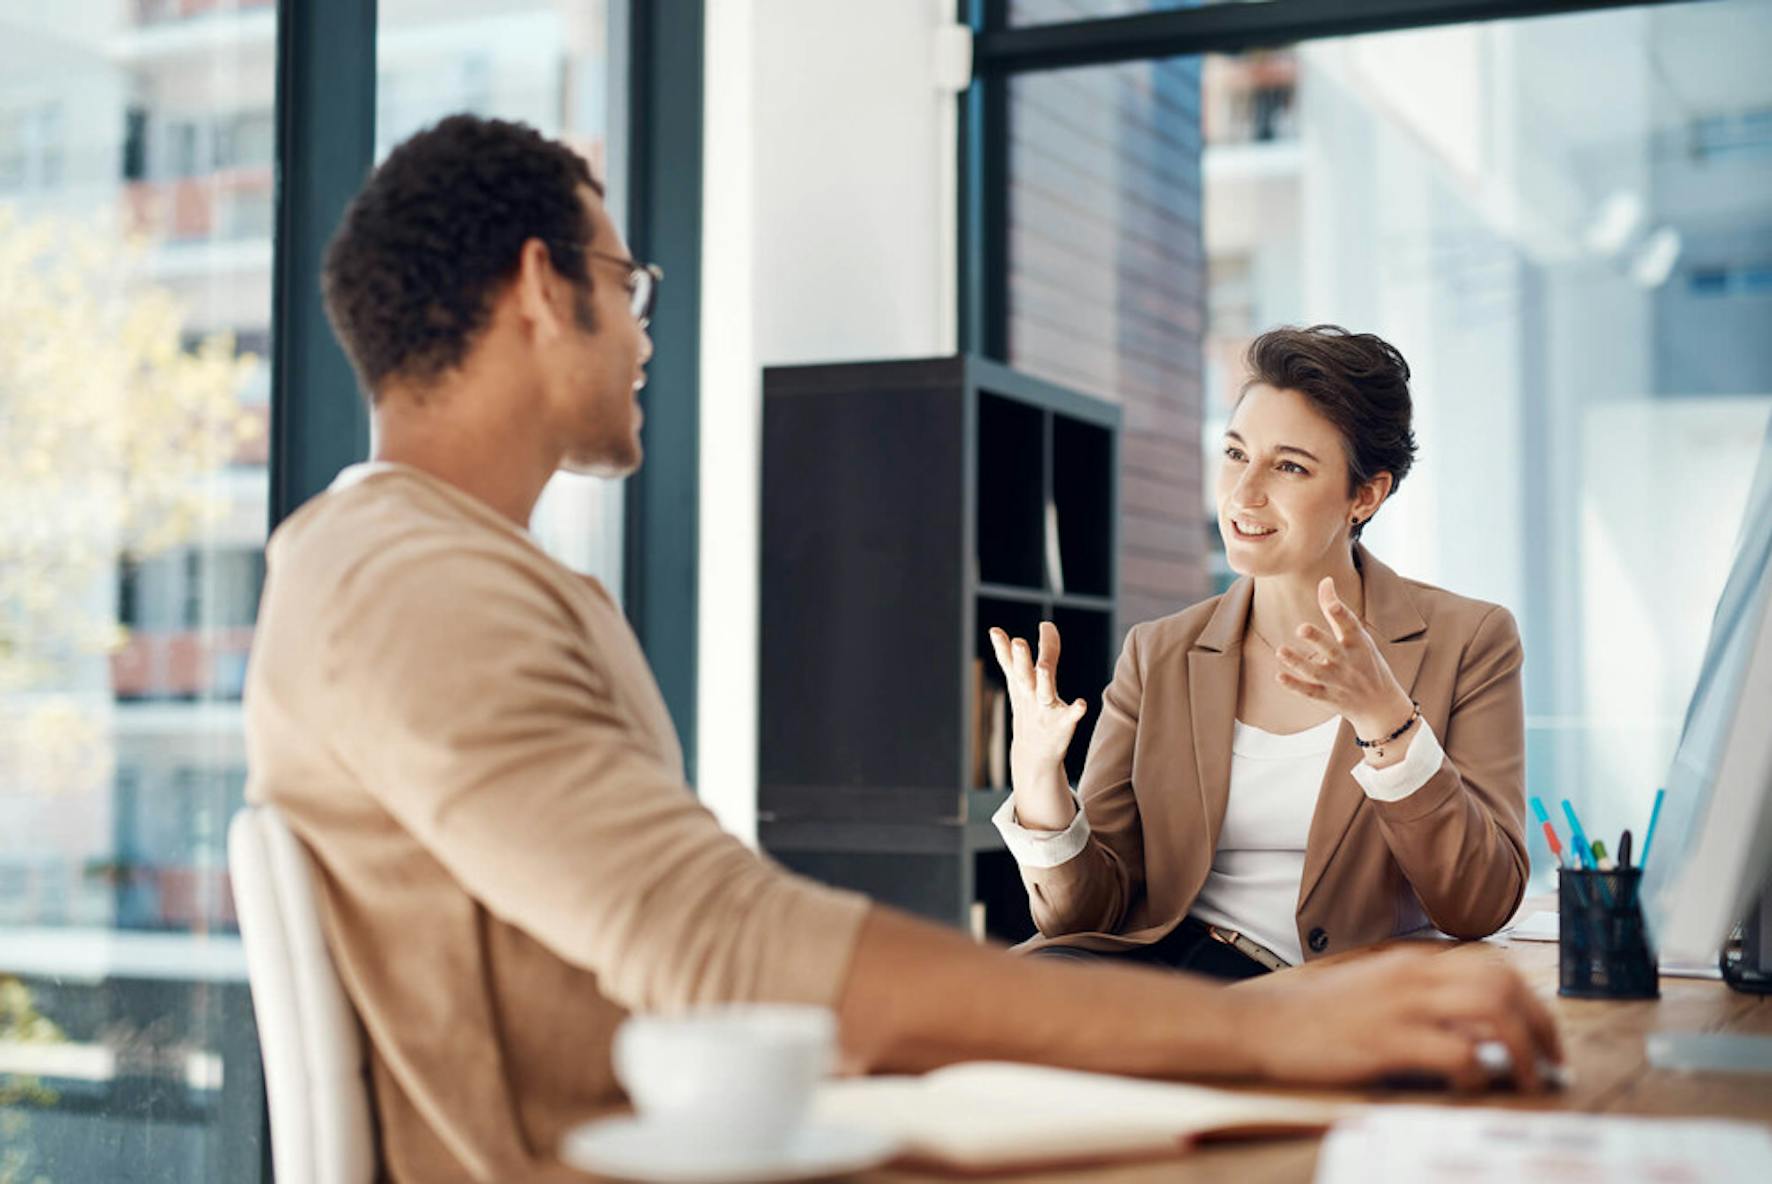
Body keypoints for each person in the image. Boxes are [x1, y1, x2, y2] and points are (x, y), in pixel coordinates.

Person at [243, 116, 1560, 1183]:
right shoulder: (404, 583)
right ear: (543, 287)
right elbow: (721, 942)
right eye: (627, 284)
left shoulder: (476, 576)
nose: (646, 331)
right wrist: (1253, 1037)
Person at [989, 325, 1528, 980]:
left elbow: (1481, 903)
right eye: (1236, 454)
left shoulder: (1469, 642)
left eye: (1290, 466)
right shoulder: (1158, 653)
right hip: (1169, 973)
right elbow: (1089, 917)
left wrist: (1387, 721)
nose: (1244, 494)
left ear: (1366, 495)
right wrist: (1039, 781)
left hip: (1330, 997)